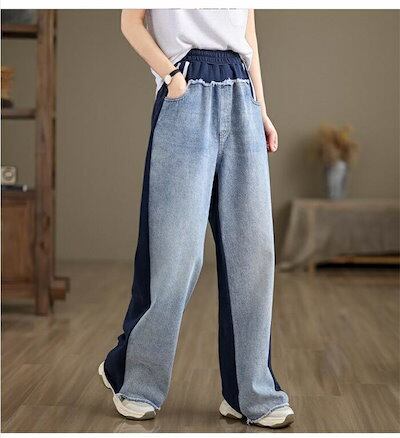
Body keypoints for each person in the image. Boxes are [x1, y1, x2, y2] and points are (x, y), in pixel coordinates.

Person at [99, 9, 294, 428]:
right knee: (177, 255)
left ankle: (249, 394)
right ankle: (132, 378)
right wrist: (171, 77)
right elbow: (130, 22)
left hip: (241, 91)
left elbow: (248, 37)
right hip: (186, 90)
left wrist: (261, 109)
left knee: (253, 255)